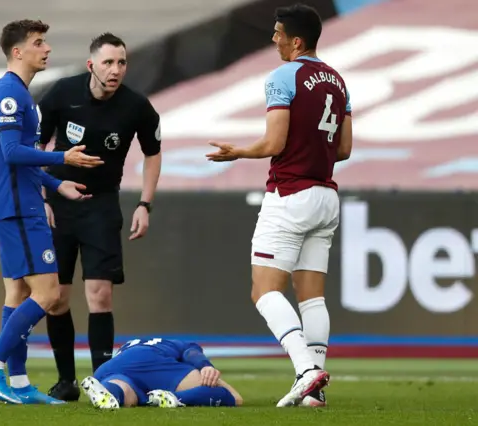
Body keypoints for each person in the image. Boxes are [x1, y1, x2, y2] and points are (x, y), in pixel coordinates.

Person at [206, 3, 353, 408]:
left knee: (264, 290)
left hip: (290, 194)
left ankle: (306, 370)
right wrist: (313, 152)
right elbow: (343, 148)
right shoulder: (338, 82)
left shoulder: (283, 76)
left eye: (278, 34)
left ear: (296, 40)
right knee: (312, 297)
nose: (274, 39)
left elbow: (273, 144)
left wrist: (237, 151)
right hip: (326, 196)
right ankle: (315, 392)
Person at [0, 19, 104, 405]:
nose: (46, 49)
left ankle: (17, 384)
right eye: (39, 43)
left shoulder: (18, 94)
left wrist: (55, 183)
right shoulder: (10, 95)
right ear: (18, 52)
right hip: (18, 206)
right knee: (47, 294)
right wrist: (62, 157)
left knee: (17, 291)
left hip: (15, 200)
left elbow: (15, 159)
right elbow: (12, 153)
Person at [37, 32, 162, 401]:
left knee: (100, 295)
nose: (116, 70)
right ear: (91, 65)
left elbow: (153, 152)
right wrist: (40, 195)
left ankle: (102, 380)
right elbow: (34, 145)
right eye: (108, 62)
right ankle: (66, 381)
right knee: (56, 298)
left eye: (121, 62)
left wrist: (145, 204)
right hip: (59, 202)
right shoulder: (62, 93)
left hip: (102, 205)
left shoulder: (136, 106)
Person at [80, 337, 243, 409]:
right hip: (151, 359)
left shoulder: (127, 346)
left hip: (107, 369)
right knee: (234, 398)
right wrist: (205, 365)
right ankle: (174, 398)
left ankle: (111, 392)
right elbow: (190, 353)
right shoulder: (173, 343)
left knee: (126, 392)